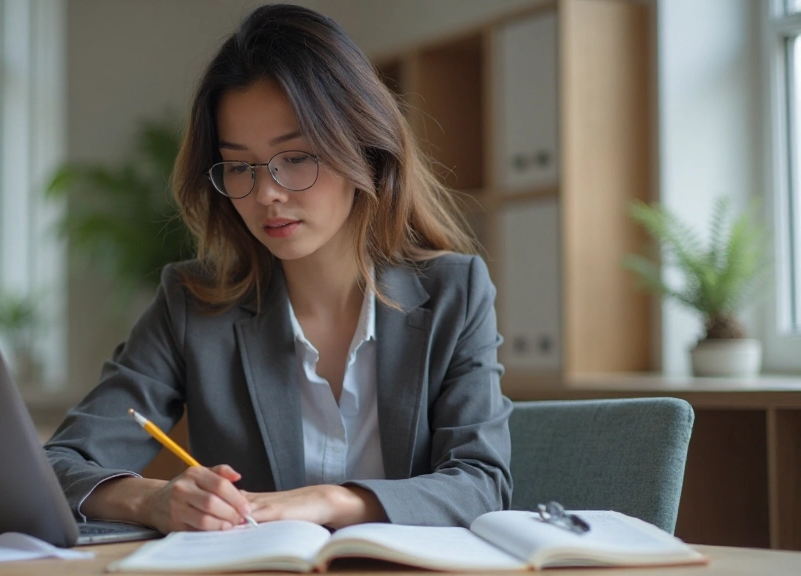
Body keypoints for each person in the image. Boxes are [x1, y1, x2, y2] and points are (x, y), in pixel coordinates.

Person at [45, 3, 512, 534]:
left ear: (364, 148)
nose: (266, 192)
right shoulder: (193, 305)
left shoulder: (456, 292)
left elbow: (481, 484)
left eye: (296, 157)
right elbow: (56, 466)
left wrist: (328, 502)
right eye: (240, 166)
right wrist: (150, 500)